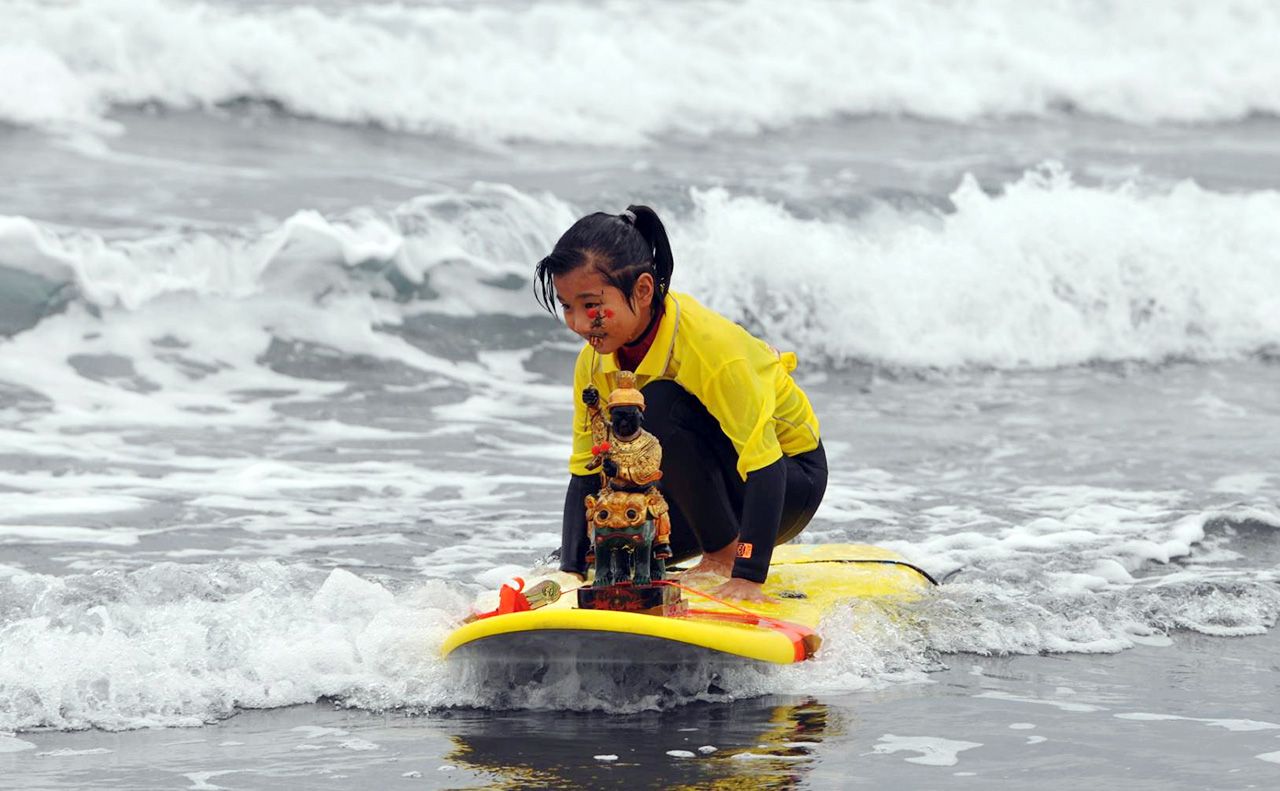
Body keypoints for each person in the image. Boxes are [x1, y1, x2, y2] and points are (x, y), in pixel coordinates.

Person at [535, 205, 827, 602]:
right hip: (700, 489)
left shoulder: (712, 347)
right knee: (600, 552)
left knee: (654, 404)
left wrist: (748, 574)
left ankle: (724, 555)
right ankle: (711, 546)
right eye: (567, 306)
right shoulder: (592, 363)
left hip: (788, 482)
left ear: (642, 290)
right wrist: (570, 569)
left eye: (590, 305)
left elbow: (766, 466)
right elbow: (586, 470)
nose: (579, 323)